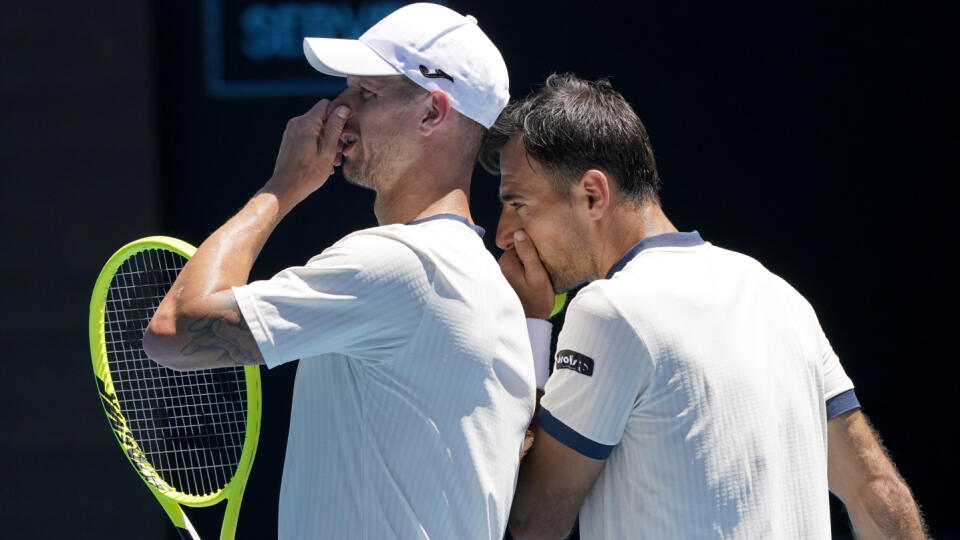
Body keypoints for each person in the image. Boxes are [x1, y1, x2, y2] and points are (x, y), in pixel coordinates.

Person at [143, 4, 536, 538]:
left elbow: (173, 330)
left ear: (431, 113)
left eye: (367, 93)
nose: (339, 110)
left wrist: (283, 185)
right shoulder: (494, 290)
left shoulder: (401, 263)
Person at [481, 73, 927, 539]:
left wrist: (529, 326)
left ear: (592, 195)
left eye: (517, 204)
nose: (504, 233)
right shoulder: (780, 294)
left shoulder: (609, 311)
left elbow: (530, 523)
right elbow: (878, 491)